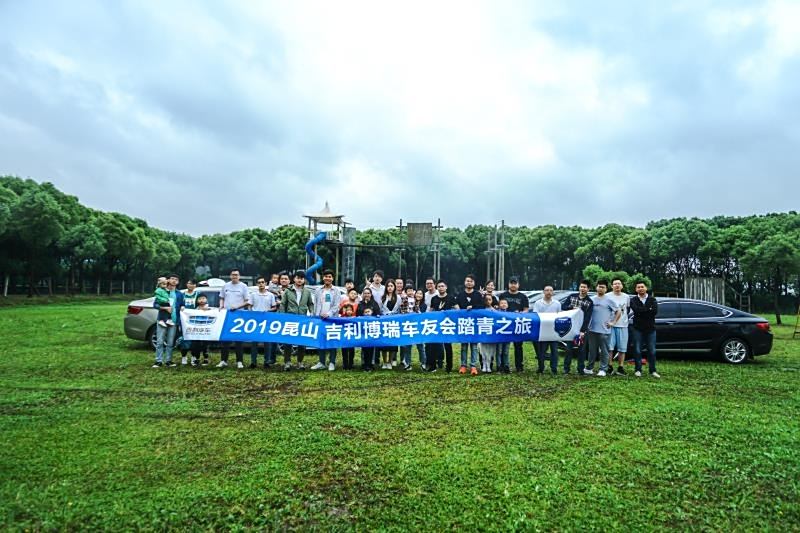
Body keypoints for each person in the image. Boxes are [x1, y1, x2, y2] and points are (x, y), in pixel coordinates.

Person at [279, 270, 315, 370]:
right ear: (294, 279)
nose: (299, 280)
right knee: (288, 342)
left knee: (302, 343)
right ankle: (287, 362)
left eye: (302, 278)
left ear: (304, 280)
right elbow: (283, 305)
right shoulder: (287, 291)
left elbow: (310, 304)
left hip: (303, 320)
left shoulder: (307, 292)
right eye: (298, 278)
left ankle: (300, 362)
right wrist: (282, 318)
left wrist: (312, 312)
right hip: (290, 319)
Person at [585, 279, 621, 377]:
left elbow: (618, 311)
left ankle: (603, 369)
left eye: (603, 287)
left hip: (604, 330)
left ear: (606, 289)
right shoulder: (591, 299)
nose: (600, 288)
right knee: (592, 350)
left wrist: (613, 322)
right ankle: (589, 368)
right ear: (596, 287)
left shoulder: (609, 300)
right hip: (592, 329)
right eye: (599, 286)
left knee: (604, 351)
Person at [217, 269, 250, 369]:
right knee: (225, 339)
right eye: (232, 275)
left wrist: (237, 307)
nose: (234, 276)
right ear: (230, 276)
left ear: (239, 276)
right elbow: (222, 298)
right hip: (227, 315)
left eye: (236, 275)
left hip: (239, 315)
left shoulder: (243, 286)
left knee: (238, 340)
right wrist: (221, 306)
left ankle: (239, 361)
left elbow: (247, 301)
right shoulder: (225, 286)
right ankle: (223, 360)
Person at [562, 280, 594, 375]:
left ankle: (580, 369)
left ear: (588, 289)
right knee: (568, 349)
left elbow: (588, 317)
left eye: (585, 287)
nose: (582, 289)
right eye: (581, 287)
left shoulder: (589, 302)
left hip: (582, 329)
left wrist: (583, 331)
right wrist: (571, 308)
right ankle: (566, 369)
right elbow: (563, 307)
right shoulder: (572, 297)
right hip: (570, 328)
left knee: (582, 350)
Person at [152, 273, 185, 368]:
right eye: (172, 279)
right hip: (162, 319)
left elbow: (182, 304)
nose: (174, 280)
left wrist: (183, 306)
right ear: (168, 280)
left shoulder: (179, 294)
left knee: (170, 342)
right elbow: (155, 305)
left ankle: (168, 360)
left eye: (176, 279)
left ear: (178, 282)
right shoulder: (162, 291)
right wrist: (164, 308)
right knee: (160, 341)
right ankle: (158, 361)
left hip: (174, 321)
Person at [498, 276, 530, 372]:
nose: (513, 285)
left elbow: (526, 310)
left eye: (515, 283)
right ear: (508, 284)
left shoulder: (523, 297)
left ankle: (519, 366)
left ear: (518, 285)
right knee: (503, 346)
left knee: (518, 345)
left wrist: (520, 314)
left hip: (517, 323)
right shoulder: (503, 295)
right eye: (511, 283)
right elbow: (498, 308)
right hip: (505, 324)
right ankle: (503, 366)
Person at [312, 269, 341, 371]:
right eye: (325, 276)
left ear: (332, 278)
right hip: (320, 319)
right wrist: (316, 315)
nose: (327, 278)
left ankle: (332, 362)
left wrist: (328, 314)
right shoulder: (318, 290)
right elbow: (315, 304)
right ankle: (321, 362)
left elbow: (337, 306)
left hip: (332, 319)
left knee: (332, 340)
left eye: (329, 276)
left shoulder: (336, 290)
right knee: (321, 340)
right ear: (323, 278)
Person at [456, 274, 485, 375]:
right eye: (467, 281)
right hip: (463, 324)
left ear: (474, 283)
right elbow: (456, 306)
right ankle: (463, 365)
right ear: (465, 282)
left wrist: (473, 306)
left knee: (474, 346)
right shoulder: (460, 295)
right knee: (464, 346)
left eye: (471, 281)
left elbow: (482, 306)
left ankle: (473, 366)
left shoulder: (477, 295)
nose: (469, 282)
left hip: (474, 324)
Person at [630, 281, 660, 378]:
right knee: (637, 350)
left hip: (650, 329)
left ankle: (653, 370)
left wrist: (642, 310)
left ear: (646, 288)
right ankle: (638, 370)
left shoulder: (652, 299)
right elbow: (636, 310)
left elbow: (654, 312)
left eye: (642, 287)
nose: (640, 288)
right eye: (638, 287)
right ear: (636, 289)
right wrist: (647, 309)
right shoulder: (633, 300)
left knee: (652, 350)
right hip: (637, 328)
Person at [428, 280, 458, 372]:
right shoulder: (434, 299)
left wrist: (450, 314)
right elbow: (430, 311)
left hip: (447, 325)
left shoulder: (451, 298)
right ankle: (432, 366)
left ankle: (449, 367)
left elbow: (457, 309)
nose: (441, 288)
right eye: (439, 286)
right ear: (437, 288)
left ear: (446, 287)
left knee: (448, 346)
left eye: (442, 286)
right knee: (433, 345)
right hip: (436, 325)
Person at [249, 275, 278, 369]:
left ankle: (267, 361)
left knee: (267, 343)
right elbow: (250, 305)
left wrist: (268, 311)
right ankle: (253, 362)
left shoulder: (270, 295)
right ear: (257, 284)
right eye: (259, 282)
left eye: (262, 282)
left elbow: (274, 307)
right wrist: (251, 312)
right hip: (255, 321)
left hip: (267, 321)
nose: (261, 284)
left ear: (266, 283)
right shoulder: (253, 294)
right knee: (254, 342)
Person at [533, 285, 562, 376]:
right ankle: (541, 367)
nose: (549, 292)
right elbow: (535, 316)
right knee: (542, 351)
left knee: (554, 350)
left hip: (554, 331)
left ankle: (554, 368)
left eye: (551, 290)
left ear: (553, 292)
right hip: (542, 330)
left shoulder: (557, 303)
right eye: (547, 290)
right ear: (543, 292)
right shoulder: (538, 303)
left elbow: (559, 316)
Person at [607, 278, 631, 375]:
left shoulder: (626, 297)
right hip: (610, 325)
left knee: (622, 348)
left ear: (622, 286)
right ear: (612, 286)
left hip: (623, 325)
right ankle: (609, 366)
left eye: (619, 284)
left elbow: (627, 310)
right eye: (615, 284)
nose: (617, 285)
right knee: (610, 347)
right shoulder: (607, 296)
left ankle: (621, 367)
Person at [356, 287, 382, 371]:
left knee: (371, 347)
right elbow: (357, 315)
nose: (367, 295)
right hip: (363, 329)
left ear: (371, 294)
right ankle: (364, 364)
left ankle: (371, 364)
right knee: (364, 347)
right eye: (365, 293)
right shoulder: (360, 304)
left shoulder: (375, 304)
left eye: (368, 293)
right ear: (363, 294)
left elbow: (378, 314)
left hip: (372, 329)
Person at [379, 279, 401, 369]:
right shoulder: (382, 297)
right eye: (388, 286)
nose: (390, 288)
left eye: (392, 286)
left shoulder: (398, 298)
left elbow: (399, 310)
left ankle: (390, 361)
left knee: (393, 344)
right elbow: (380, 309)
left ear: (394, 287)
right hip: (384, 322)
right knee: (384, 343)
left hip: (394, 322)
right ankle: (384, 362)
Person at [179, 279, 200, 366]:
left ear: (195, 286)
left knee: (194, 339)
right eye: (189, 283)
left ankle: (193, 357)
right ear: (186, 284)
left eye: (193, 284)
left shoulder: (197, 294)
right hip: (184, 320)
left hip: (194, 320)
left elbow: (202, 303)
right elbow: (178, 304)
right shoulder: (182, 294)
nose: (191, 285)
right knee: (184, 339)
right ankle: (184, 356)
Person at [190, 294, 212, 366]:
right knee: (196, 344)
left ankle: (206, 359)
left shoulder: (209, 309)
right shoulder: (195, 309)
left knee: (205, 345)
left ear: (206, 300)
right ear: (197, 300)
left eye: (203, 298)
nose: (201, 300)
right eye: (199, 299)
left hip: (206, 330)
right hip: (197, 330)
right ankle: (197, 358)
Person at [398, 284, 416, 371]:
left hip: (414, 323)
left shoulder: (416, 300)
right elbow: (402, 310)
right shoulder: (403, 299)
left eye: (411, 290)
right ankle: (405, 361)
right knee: (405, 344)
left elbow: (417, 309)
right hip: (405, 323)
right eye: (408, 291)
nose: (410, 292)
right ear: (405, 292)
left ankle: (409, 361)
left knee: (414, 344)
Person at [339, 293, 358, 370]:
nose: (349, 311)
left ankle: (351, 363)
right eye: (347, 310)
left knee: (351, 350)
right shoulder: (342, 318)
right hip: (344, 336)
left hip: (351, 336)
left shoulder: (355, 318)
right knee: (344, 350)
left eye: (350, 310)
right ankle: (345, 364)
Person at [480, 292, 498, 373]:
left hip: (492, 333)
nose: (488, 301)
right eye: (486, 299)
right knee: (483, 350)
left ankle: (489, 365)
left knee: (491, 350)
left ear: (492, 300)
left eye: (489, 299)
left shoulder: (495, 310)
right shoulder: (480, 310)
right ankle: (484, 365)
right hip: (483, 332)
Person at [412, 289, 428, 369]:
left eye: (421, 294)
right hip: (410, 327)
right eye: (417, 293)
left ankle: (423, 363)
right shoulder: (410, 303)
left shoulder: (424, 305)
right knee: (407, 346)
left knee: (421, 347)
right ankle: (407, 363)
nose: (418, 295)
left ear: (423, 296)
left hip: (419, 328)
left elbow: (422, 316)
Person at [495, 297, 512, 373]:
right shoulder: (496, 313)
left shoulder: (511, 314)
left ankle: (506, 366)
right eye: (501, 303)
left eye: (505, 303)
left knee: (506, 352)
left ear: (507, 305)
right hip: (499, 336)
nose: (503, 304)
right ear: (499, 305)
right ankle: (499, 367)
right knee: (499, 352)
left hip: (507, 336)